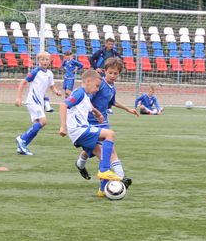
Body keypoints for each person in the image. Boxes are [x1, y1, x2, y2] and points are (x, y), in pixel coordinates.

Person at [59, 69, 126, 198]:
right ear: (88, 81)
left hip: (80, 132)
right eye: (96, 86)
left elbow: (89, 106)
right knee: (110, 134)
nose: (96, 89)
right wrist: (63, 126)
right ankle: (104, 170)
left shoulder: (84, 95)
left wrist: (97, 113)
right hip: (80, 130)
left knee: (102, 155)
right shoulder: (79, 92)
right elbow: (63, 105)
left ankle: (102, 190)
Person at [75, 57, 136, 182]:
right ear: (105, 71)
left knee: (102, 150)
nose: (113, 76)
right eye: (110, 73)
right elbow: (87, 100)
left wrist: (128, 109)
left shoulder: (112, 88)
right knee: (99, 152)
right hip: (90, 122)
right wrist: (95, 112)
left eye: (116, 73)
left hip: (103, 123)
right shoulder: (99, 85)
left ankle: (120, 177)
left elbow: (112, 102)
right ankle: (118, 178)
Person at [14, 51, 64, 155]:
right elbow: (23, 82)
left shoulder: (49, 73)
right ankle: (22, 139)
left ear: (50, 61)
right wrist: (19, 97)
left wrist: (56, 92)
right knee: (43, 121)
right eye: (42, 59)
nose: (45, 61)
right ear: (38, 61)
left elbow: (51, 87)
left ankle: (22, 146)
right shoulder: (35, 71)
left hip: (39, 102)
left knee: (37, 125)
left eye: (47, 59)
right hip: (32, 100)